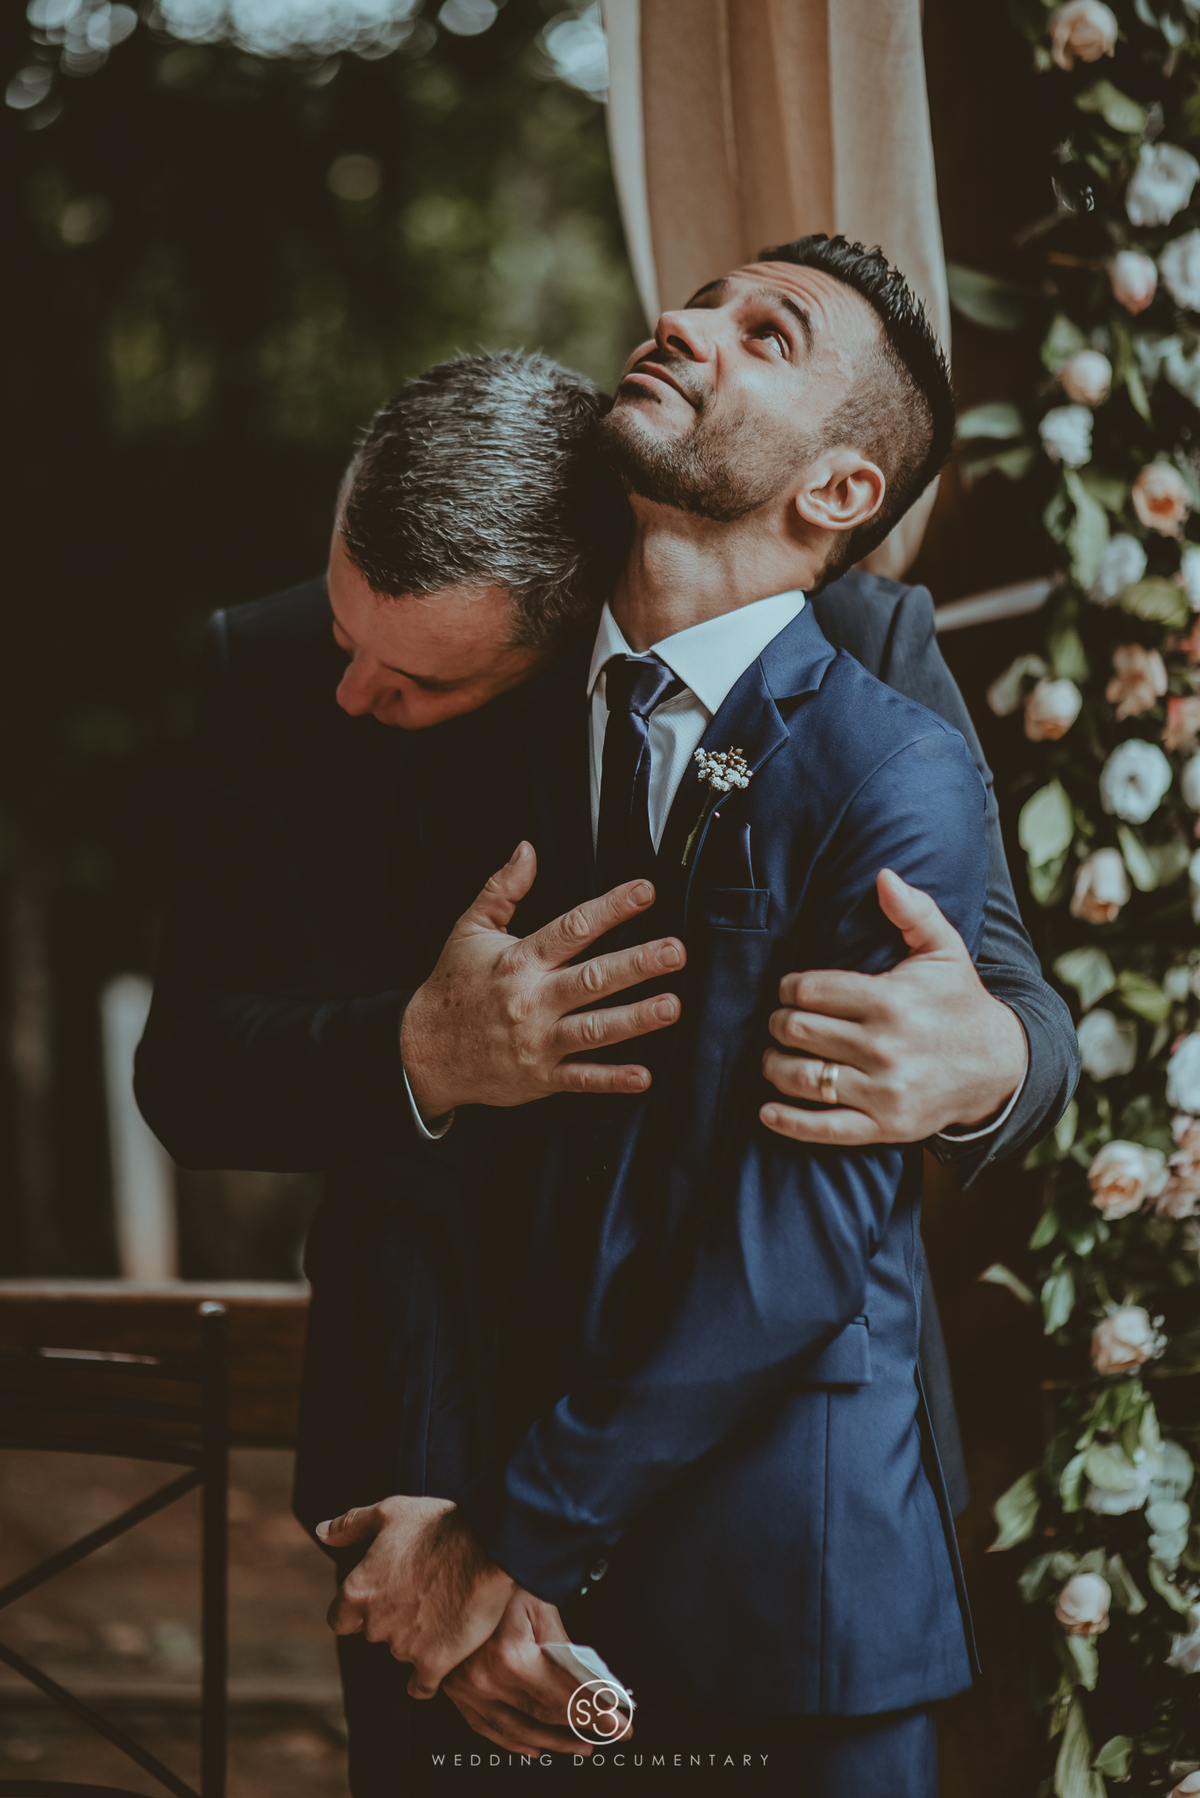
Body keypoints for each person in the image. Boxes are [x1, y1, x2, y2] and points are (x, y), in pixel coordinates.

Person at [134, 243, 1077, 1793]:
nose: (353, 693)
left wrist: (993, 1061)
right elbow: (216, 1078)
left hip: (782, 1532)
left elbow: (991, 998)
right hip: (431, 1462)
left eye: (757, 327)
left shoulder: (860, 674)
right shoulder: (290, 667)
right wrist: (420, 1054)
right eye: (700, 301)